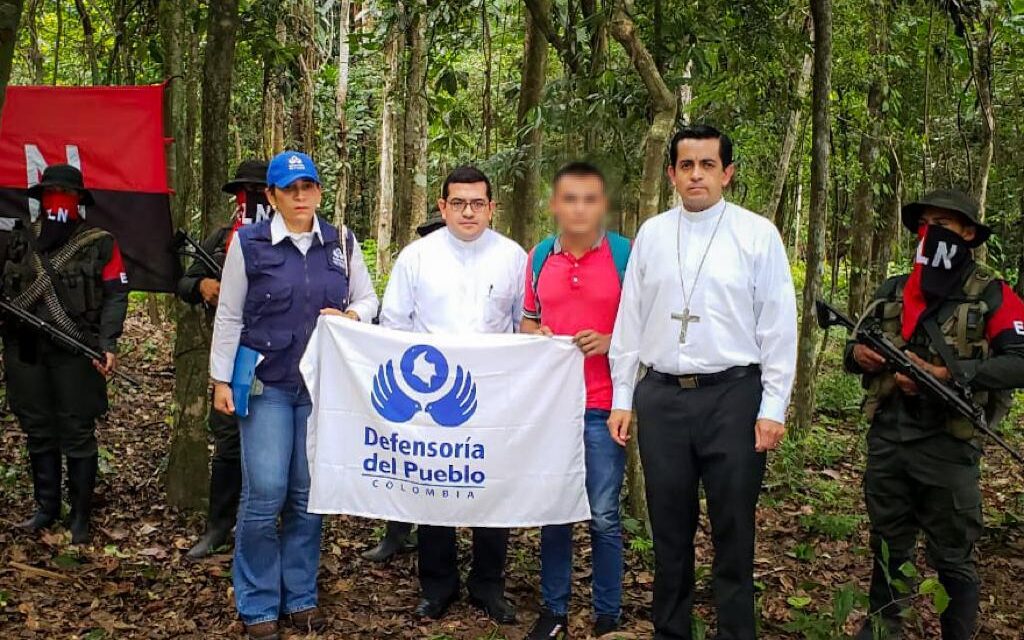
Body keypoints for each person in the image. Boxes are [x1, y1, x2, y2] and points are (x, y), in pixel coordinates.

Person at [607, 125, 798, 639]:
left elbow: (778, 323)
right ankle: (672, 631)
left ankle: (735, 632)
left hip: (734, 397)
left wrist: (774, 405)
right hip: (664, 396)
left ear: (727, 173)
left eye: (707, 165)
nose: (696, 175)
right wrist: (623, 395)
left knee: (734, 527)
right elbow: (631, 319)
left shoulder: (757, 235)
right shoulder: (652, 233)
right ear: (672, 173)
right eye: (686, 165)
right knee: (670, 529)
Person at [210, 151, 378, 640]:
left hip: (322, 388)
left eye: (308, 186)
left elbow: (367, 299)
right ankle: (258, 602)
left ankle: (300, 596)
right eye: (290, 189)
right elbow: (230, 315)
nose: (300, 196)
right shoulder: (249, 243)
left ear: (320, 191)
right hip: (266, 383)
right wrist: (221, 379)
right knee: (265, 493)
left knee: (307, 495)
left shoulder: (341, 242)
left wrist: (355, 317)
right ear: (273, 196)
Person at [844, 190, 1024, 640]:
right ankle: (884, 627)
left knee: (953, 555)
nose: (934, 233)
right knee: (888, 544)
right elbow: (855, 344)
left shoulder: (993, 295)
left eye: (945, 224)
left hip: (949, 443)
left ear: (967, 233)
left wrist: (949, 374)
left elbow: (1019, 361)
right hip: (889, 439)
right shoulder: (895, 289)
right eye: (927, 224)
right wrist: (860, 355)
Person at [379, 165, 526, 624]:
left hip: (493, 396)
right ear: (442, 206)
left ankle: (488, 585)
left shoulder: (514, 258)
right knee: (435, 488)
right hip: (431, 396)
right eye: (458, 203)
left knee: (490, 488)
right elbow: (394, 326)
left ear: (491, 207)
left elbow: (526, 326)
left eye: (477, 203)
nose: (468, 211)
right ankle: (437, 585)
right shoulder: (416, 257)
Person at [521, 162, 631, 639]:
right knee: (555, 508)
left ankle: (608, 612)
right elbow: (526, 320)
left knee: (604, 513)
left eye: (589, 199)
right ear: (555, 205)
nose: (579, 208)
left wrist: (611, 340)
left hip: (606, 403)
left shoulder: (627, 255)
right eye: (570, 198)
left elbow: (647, 327)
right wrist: (538, 334)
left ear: (602, 205)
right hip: (551, 408)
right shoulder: (540, 256)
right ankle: (555, 609)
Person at [1, 163, 129, 545]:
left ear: (78, 201)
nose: (57, 203)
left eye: (65, 196)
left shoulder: (99, 241)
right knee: (38, 429)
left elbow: (115, 295)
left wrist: (108, 343)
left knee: (77, 431)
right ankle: (46, 507)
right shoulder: (21, 239)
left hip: (77, 349)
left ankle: (81, 515)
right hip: (25, 349)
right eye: (50, 195)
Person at [177, 159, 271, 560]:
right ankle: (219, 525)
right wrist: (203, 284)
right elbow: (182, 281)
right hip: (231, 357)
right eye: (242, 190)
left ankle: (269, 528)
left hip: (281, 362)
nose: (246, 199)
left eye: (254, 190)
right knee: (229, 442)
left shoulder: (291, 238)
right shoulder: (219, 239)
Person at [361, 209, 444, 564]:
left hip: (468, 381)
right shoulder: (415, 266)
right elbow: (393, 319)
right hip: (415, 378)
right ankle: (397, 534)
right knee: (409, 459)